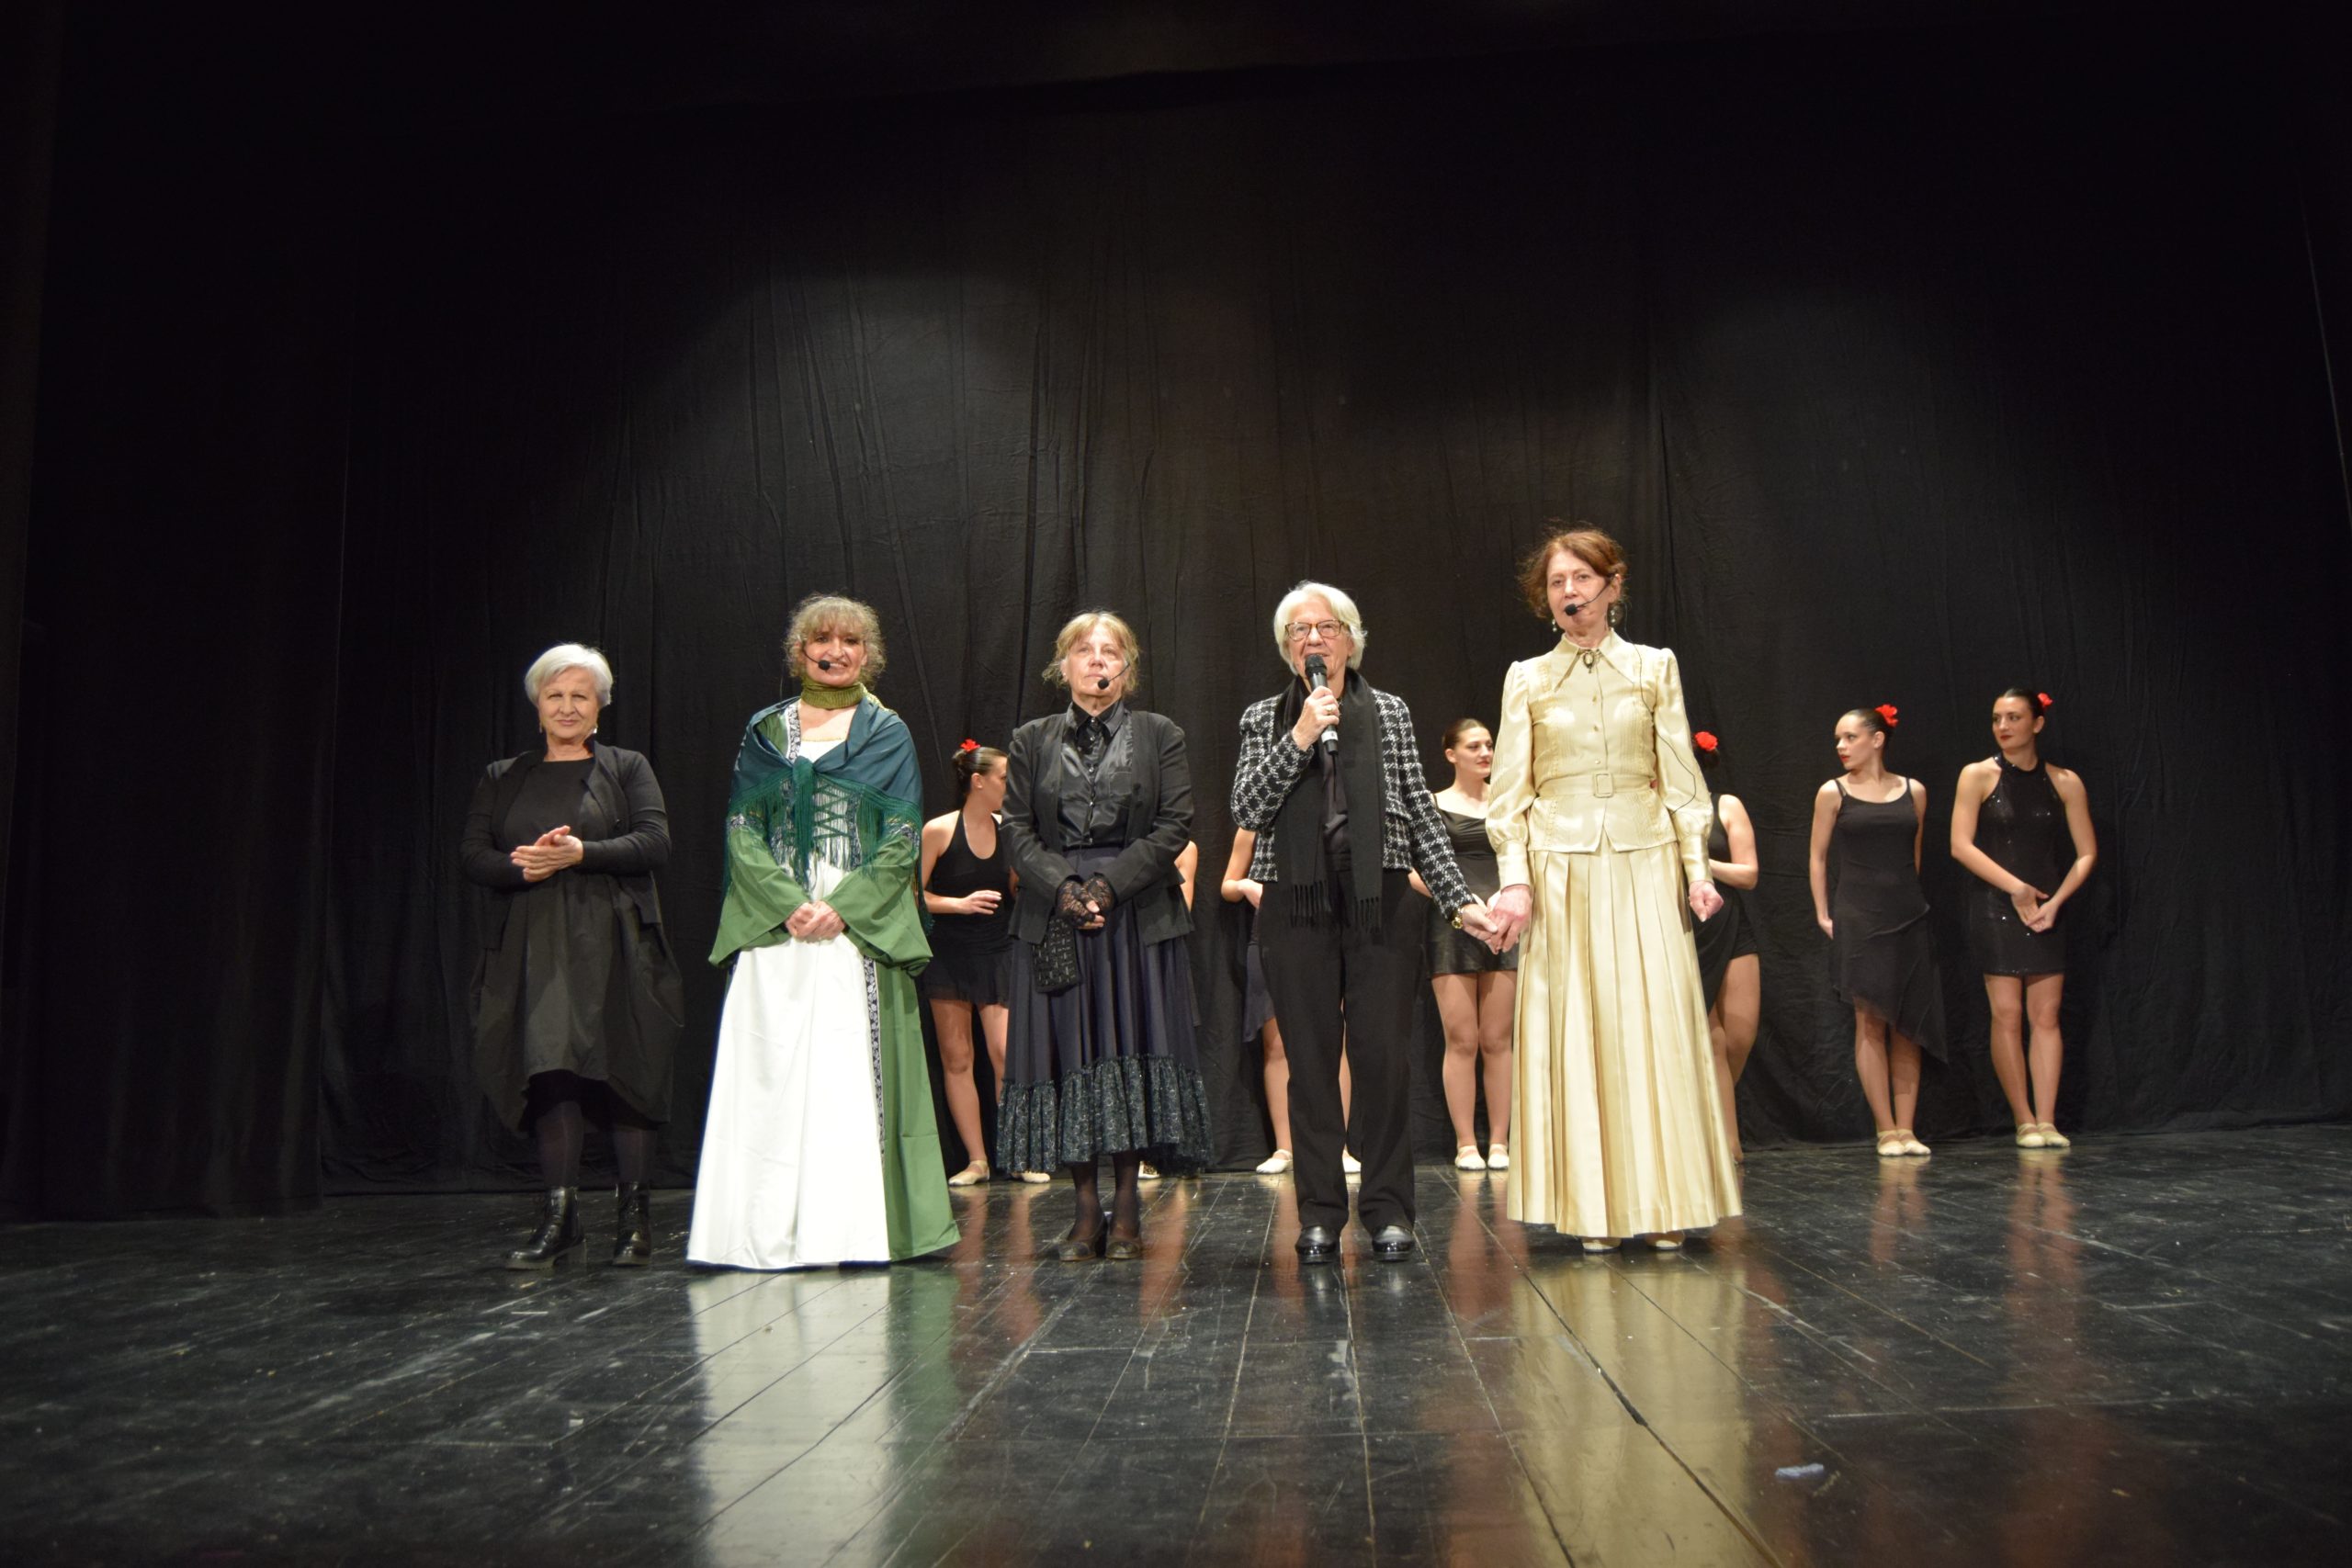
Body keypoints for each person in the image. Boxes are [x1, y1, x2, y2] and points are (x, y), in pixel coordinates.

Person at [1485, 528, 1740, 1251]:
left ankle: (1666, 1202)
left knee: (1655, 1026)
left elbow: (1682, 779)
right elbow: (1508, 796)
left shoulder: (1655, 667)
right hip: (1561, 868)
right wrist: (1515, 881)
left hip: (1644, 860)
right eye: (1557, 583)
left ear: (1613, 584)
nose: (1569, 592)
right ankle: (1591, 1209)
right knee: (1578, 1031)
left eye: (1581, 578)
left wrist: (1697, 870)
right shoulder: (1527, 678)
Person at [686, 596, 959, 1269]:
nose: (835, 651)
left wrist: (843, 905)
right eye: (821, 640)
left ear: (868, 654)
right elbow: (741, 829)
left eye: (850, 642)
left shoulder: (886, 732)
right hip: (777, 922)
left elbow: (902, 835)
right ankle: (757, 1232)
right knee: (770, 1071)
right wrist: (787, 902)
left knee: (844, 1074)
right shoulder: (765, 730)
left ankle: (847, 1232)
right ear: (799, 650)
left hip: (852, 923)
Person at [1231, 582, 1498, 1264]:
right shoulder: (1265, 717)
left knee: (1382, 1060)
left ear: (1351, 640)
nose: (1313, 640)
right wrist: (1299, 735)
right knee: (1311, 1064)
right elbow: (1248, 807)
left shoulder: (1389, 712)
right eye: (1298, 631)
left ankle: (1387, 1210)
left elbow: (1420, 815)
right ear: (1287, 649)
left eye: (1326, 628)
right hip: (1295, 903)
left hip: (1380, 899)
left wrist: (1458, 899)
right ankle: (1321, 1213)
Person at [997, 611, 1213, 1261]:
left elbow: (1174, 823)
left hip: (1134, 912)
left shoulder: (1159, 734)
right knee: (1070, 1052)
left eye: (1110, 651)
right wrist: (1065, 890)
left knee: (1130, 1046)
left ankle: (1127, 1207)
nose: (1097, 660)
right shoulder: (1031, 739)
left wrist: (1106, 888)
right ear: (1063, 665)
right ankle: (1085, 1206)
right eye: (1084, 651)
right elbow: (1016, 829)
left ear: (1127, 667)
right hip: (1053, 911)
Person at [462, 643, 684, 1270]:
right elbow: (473, 854)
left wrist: (580, 853)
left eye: (579, 696)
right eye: (554, 696)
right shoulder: (503, 775)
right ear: (537, 706)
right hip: (533, 944)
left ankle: (633, 1220)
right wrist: (523, 866)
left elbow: (655, 842)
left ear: (599, 707)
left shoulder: (626, 766)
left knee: (628, 1067)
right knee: (550, 1069)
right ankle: (560, 1221)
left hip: (616, 938)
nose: (566, 707)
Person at [1950, 690, 2097, 1148]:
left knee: (2046, 1015)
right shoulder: (1977, 775)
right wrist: (2014, 888)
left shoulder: (2065, 781)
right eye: (1997, 718)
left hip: (2046, 908)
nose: (2003, 726)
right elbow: (1960, 845)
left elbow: (2086, 853)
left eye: (2014, 718)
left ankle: (2047, 1120)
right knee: (2007, 1014)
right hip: (1997, 905)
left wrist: (2056, 902)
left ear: (2037, 723)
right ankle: (2024, 1120)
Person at [1808, 703, 1948, 1159]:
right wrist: (1823, 913)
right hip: (1859, 917)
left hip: (1907, 915)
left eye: (1850, 737)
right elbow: (1817, 857)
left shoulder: (1914, 791)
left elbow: (1915, 854)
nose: (1841, 746)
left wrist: (1911, 904)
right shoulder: (1833, 792)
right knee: (1870, 1018)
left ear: (1877, 739)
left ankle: (1907, 1129)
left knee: (1909, 1021)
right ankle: (1885, 1129)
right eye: (1838, 739)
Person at [919, 739, 1031, 1186]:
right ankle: (977, 1159)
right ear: (979, 782)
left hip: (998, 951)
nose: (1011, 786)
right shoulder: (940, 830)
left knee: (1004, 1053)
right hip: (950, 955)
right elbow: (913, 895)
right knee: (958, 1057)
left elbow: (1017, 888)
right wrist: (958, 904)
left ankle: (1017, 1154)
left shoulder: (1010, 831)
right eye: (1005, 778)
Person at [1409, 718, 1517, 1173]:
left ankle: (1500, 1142)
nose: (1485, 752)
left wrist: (1506, 897)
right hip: (1451, 925)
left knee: (1497, 1039)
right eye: (1474, 746)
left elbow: (1526, 858)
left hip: (1503, 923)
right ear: (1451, 754)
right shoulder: (1433, 804)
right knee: (1462, 1039)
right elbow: (1411, 869)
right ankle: (1466, 1143)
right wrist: (1456, 899)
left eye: (1489, 744)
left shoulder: (1509, 803)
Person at [1691, 729, 1761, 1161]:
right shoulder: (1654, 811)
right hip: (1685, 926)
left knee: (1738, 1037)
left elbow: (1748, 874)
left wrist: (1701, 862)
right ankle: (1725, 1145)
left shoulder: (1726, 805)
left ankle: (1710, 1119)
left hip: (1729, 923)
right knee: (1712, 1040)